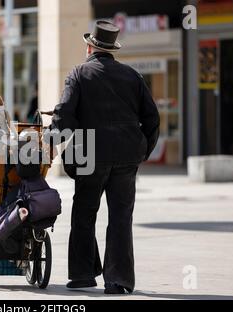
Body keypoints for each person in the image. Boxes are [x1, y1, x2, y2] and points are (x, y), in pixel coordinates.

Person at [44, 20, 160, 294]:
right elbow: (152, 117)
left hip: (89, 155)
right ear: (111, 50)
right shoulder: (132, 76)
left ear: (89, 47)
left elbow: (65, 117)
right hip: (126, 155)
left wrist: (48, 143)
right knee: (121, 217)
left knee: (84, 213)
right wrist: (143, 149)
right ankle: (118, 281)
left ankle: (83, 275)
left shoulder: (79, 74)